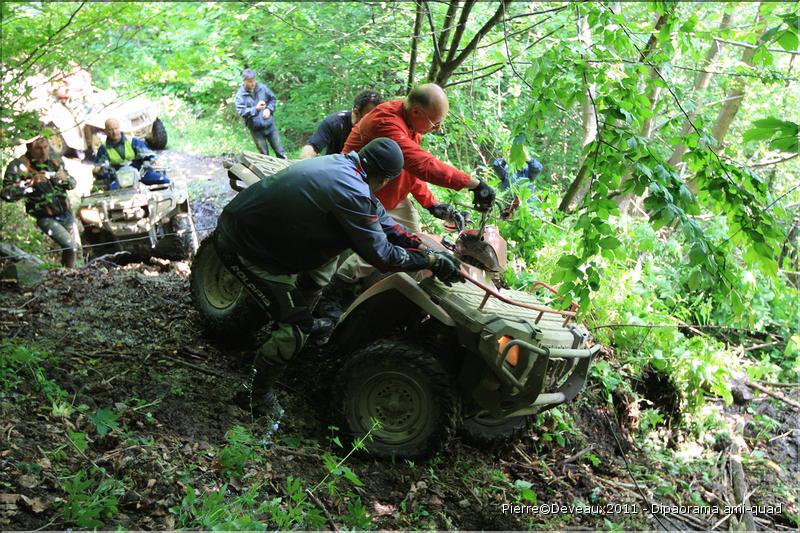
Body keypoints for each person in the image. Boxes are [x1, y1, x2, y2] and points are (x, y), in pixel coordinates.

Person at [212, 137, 464, 417]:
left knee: (320, 273)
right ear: (386, 179)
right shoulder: (352, 191)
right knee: (295, 329)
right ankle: (254, 395)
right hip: (244, 246)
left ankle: (293, 332)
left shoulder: (347, 168)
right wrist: (429, 261)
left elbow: (385, 223)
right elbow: (382, 255)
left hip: (255, 231)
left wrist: (424, 247)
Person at [321, 83, 495, 317]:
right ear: (416, 112)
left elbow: (410, 171)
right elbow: (422, 164)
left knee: (416, 239)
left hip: (390, 193)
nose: (437, 128)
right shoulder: (387, 122)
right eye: (435, 123)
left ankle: (402, 297)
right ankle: (336, 290)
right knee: (379, 244)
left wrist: (431, 204)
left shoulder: (410, 125)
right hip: (360, 191)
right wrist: (473, 183)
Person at [2, 136, 81, 267]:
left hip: (66, 212)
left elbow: (72, 184)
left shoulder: (54, 159)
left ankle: (73, 276)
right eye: (38, 148)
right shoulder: (19, 165)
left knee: (77, 250)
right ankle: (68, 276)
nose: (43, 152)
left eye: (45, 147)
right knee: (70, 246)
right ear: (29, 147)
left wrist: (66, 179)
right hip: (45, 216)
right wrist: (29, 184)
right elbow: (6, 194)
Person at [299, 90, 383, 159]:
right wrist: (305, 162)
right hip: (334, 171)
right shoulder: (335, 122)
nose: (373, 122)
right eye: (369, 117)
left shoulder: (381, 127)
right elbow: (312, 147)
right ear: (356, 112)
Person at [93, 118, 169, 190]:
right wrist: (99, 170)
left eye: (116, 128)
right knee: (112, 193)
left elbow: (148, 153)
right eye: (110, 130)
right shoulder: (103, 148)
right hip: (118, 179)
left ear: (119, 128)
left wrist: (154, 160)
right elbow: (100, 166)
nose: (114, 132)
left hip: (140, 174)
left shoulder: (132, 141)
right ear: (106, 131)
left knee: (165, 181)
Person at [234, 69, 286, 158]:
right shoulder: (240, 96)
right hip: (256, 130)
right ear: (244, 81)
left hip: (270, 127)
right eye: (250, 81)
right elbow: (242, 112)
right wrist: (256, 109)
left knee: (280, 152)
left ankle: (287, 171)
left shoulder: (263, 88)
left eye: (254, 80)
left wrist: (269, 109)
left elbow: (272, 99)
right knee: (265, 157)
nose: (253, 83)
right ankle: (269, 172)